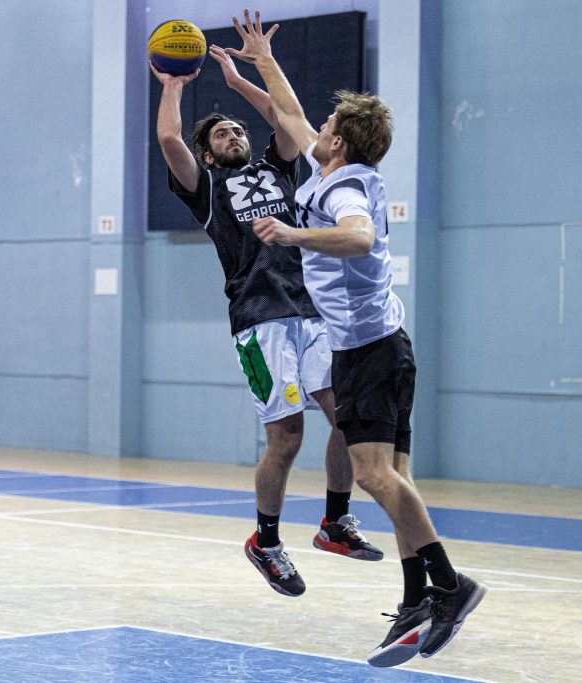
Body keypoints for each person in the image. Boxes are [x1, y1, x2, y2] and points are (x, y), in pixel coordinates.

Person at [225, 9, 487, 668]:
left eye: (328, 126)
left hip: (369, 351)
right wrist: (261, 60)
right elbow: (289, 114)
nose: (316, 128)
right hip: (382, 346)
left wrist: (292, 234)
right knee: (394, 478)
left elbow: (360, 236)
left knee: (372, 476)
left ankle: (449, 586)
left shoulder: (344, 188)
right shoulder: (335, 168)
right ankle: (415, 598)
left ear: (338, 143)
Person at [150, 44, 383, 598]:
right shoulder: (207, 189)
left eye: (237, 130)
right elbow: (169, 140)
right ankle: (267, 542)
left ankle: (334, 522)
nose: (234, 135)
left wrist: (242, 81)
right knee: (287, 437)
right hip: (260, 321)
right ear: (208, 155)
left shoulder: (278, 170)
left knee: (349, 419)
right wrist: (173, 85)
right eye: (222, 134)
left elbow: (285, 117)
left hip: (312, 312)